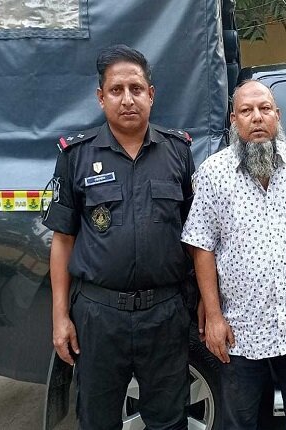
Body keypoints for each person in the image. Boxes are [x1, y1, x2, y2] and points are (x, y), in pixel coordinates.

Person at [43, 44, 194, 430]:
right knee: (97, 421)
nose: (127, 99)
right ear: (101, 97)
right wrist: (60, 317)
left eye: (136, 89)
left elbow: (196, 236)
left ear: (151, 94)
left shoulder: (178, 152)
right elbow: (63, 240)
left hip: (165, 314)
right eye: (116, 90)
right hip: (99, 316)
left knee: (169, 421)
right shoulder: (75, 155)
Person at [181, 80, 286, 430]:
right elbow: (202, 246)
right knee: (243, 423)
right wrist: (214, 315)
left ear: (277, 115)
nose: (257, 117)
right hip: (241, 333)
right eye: (246, 110)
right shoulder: (213, 173)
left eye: (264, 109)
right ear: (233, 119)